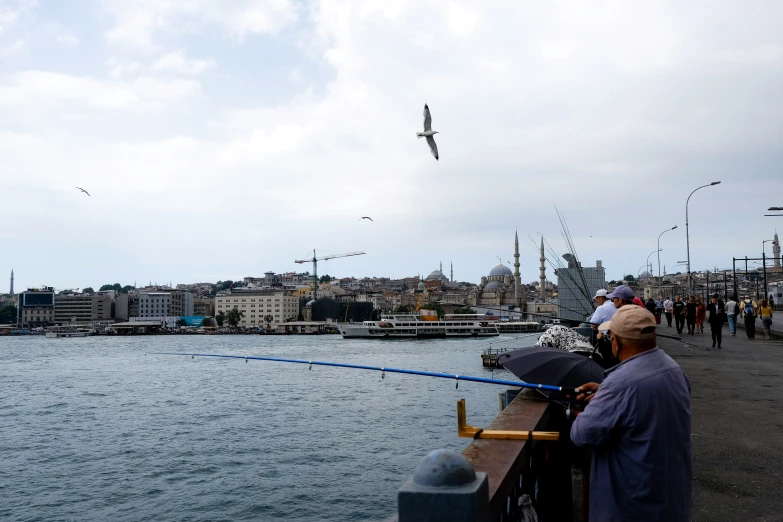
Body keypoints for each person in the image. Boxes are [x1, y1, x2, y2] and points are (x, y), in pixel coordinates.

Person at [571, 305, 692, 521]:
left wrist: (604, 398)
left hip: (631, 502)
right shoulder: (674, 369)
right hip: (670, 495)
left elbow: (582, 434)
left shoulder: (620, 383)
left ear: (616, 341)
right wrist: (607, 395)